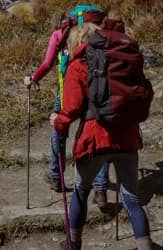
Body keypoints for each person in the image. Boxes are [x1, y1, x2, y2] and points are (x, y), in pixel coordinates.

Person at [50, 22, 152, 250]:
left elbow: (73, 107)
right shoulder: (121, 60)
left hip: (94, 139)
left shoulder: (79, 64)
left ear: (76, 41)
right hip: (127, 136)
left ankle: (73, 245)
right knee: (132, 200)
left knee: (80, 191)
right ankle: (145, 246)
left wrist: (58, 121)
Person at [24, 15, 109, 207]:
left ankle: (56, 176)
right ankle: (101, 189)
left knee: (59, 129)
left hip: (67, 87)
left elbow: (47, 64)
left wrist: (33, 78)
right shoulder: (97, 31)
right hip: (98, 89)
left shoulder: (59, 34)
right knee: (100, 134)